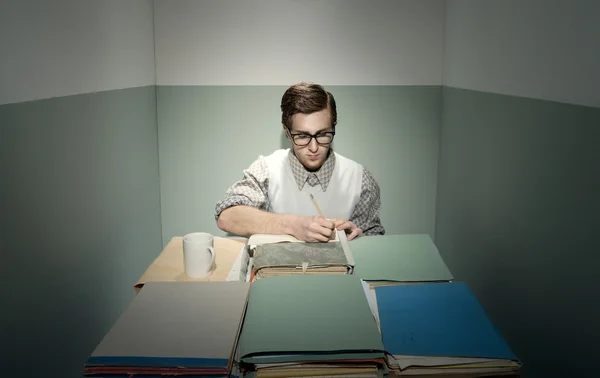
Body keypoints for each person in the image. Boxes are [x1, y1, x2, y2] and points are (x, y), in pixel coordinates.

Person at [214, 82, 385, 242]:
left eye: (323, 134)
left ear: (334, 127)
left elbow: (374, 242)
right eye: (302, 136)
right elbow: (227, 217)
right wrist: (295, 226)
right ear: (287, 132)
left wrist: (358, 239)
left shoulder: (360, 179)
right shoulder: (266, 169)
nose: (313, 147)